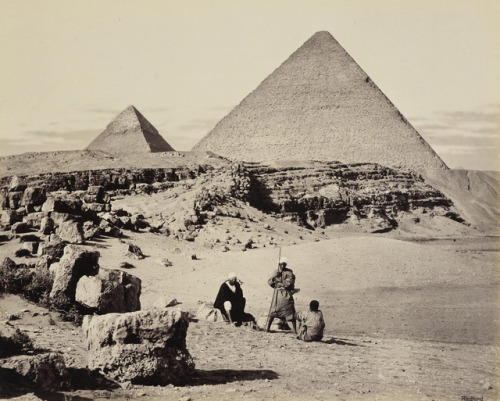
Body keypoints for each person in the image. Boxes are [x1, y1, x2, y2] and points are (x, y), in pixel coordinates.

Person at [265, 256, 297, 334]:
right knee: (273, 312)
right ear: (278, 264)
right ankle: (267, 329)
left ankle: (295, 330)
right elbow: (270, 282)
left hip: (286, 294)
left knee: (290, 311)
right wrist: (275, 277)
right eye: (281, 264)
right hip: (277, 295)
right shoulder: (275, 272)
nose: (282, 266)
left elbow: (289, 284)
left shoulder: (289, 272)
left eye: (284, 264)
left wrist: (279, 283)